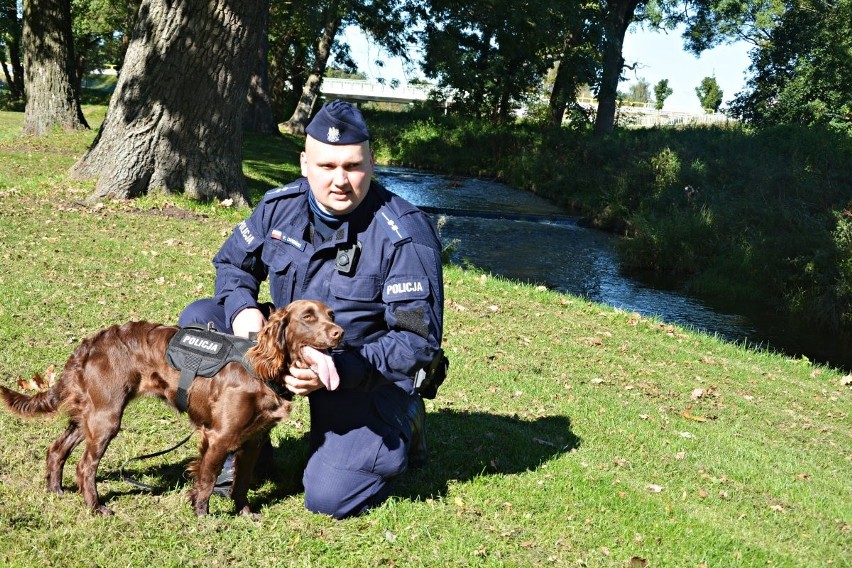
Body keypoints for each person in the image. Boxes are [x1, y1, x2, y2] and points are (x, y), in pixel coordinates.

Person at [178, 99, 445, 519]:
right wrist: (243, 310)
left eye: (352, 166)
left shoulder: (404, 235)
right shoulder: (279, 206)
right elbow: (232, 263)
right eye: (326, 166)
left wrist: (341, 370)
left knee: (329, 496)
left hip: (361, 371)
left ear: (372, 162)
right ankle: (247, 441)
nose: (340, 180)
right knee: (200, 322)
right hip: (288, 348)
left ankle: (406, 420)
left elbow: (416, 340)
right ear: (305, 163)